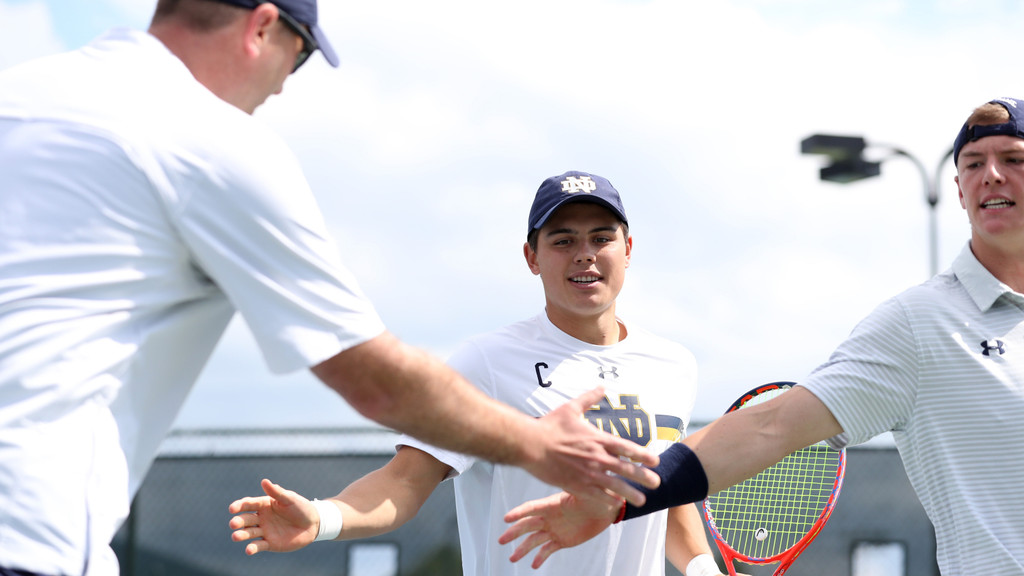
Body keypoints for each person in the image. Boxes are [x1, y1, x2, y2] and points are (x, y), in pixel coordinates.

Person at [0, 4, 659, 575]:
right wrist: (539, 445)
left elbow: (672, 495)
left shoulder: (21, 92)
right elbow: (371, 378)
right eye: (303, 53)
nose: (285, 86)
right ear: (262, 27)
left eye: (600, 236)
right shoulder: (214, 143)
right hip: (24, 539)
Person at [498, 98, 1024, 576]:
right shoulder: (920, 322)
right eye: (974, 164)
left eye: (1013, 159)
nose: (992, 176)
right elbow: (769, 426)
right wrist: (618, 500)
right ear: (958, 188)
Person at [228, 171, 730, 576]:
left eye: (602, 238)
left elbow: (658, 492)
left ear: (628, 249)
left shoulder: (673, 365)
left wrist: (703, 568)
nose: (585, 254)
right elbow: (404, 482)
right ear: (531, 257)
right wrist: (321, 518)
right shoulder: (485, 361)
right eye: (562, 240)